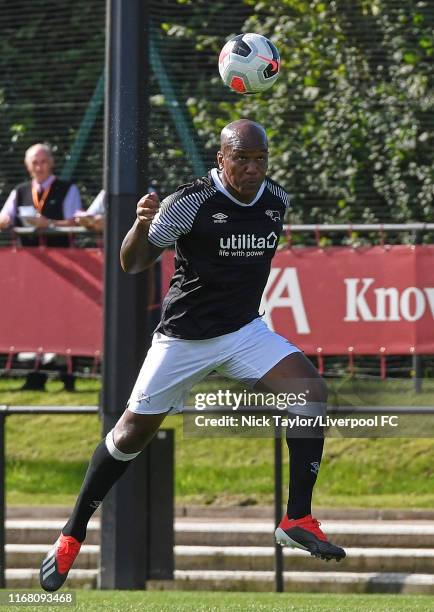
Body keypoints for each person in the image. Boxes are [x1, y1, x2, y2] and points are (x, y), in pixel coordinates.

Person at [39, 119, 345, 592]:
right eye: (241, 158)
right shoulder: (191, 202)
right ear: (220, 159)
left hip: (242, 330)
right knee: (130, 435)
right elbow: (131, 262)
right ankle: (72, 533)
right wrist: (142, 225)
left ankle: (297, 517)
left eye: (260, 159)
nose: (252, 168)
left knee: (310, 390)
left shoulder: (276, 201)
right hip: (182, 339)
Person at [0, 143, 82, 391]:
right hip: (32, 268)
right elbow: (4, 217)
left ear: (51, 162)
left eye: (43, 161)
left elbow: (77, 221)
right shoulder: (20, 191)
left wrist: (49, 223)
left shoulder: (67, 189)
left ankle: (68, 377)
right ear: (28, 166)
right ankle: (35, 378)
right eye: (34, 162)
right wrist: (5, 219)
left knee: (64, 320)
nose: (39, 166)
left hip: (63, 265)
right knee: (34, 320)